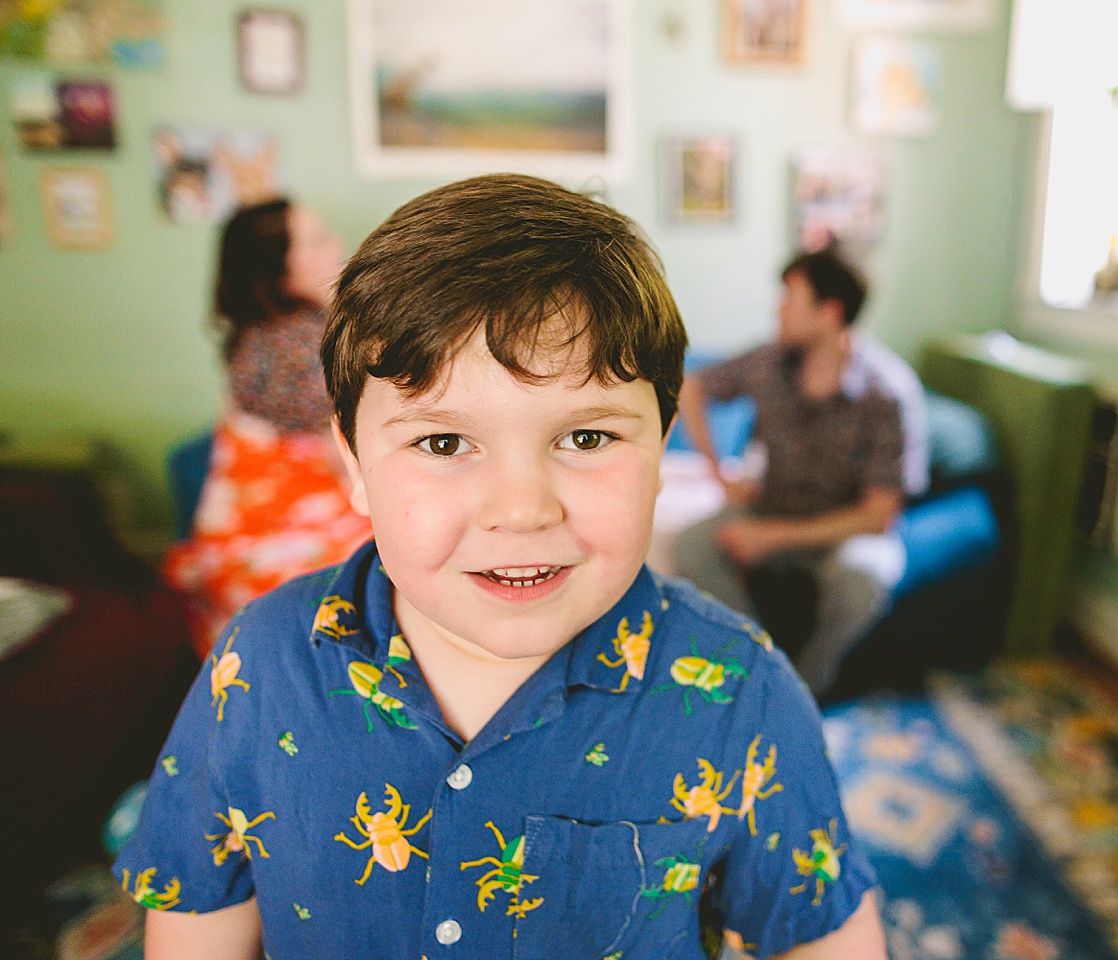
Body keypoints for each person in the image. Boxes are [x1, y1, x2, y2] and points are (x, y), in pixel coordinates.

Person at [116, 175, 886, 960]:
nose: (521, 510)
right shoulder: (258, 667)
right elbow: (195, 924)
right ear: (354, 465)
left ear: (660, 453)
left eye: (586, 438)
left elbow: (824, 936)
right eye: (444, 443)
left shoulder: (742, 694)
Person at [671, 249, 926, 698]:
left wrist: (772, 536)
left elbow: (878, 516)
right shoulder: (770, 361)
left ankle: (803, 690)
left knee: (862, 579)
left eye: (790, 298)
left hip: (843, 530)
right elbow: (692, 386)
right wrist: (718, 472)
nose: (778, 308)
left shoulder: (888, 392)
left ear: (829, 312)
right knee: (688, 547)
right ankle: (762, 669)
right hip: (769, 506)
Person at [162, 199, 372, 655]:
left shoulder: (269, 331)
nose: (340, 246)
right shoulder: (293, 347)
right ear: (280, 274)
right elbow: (347, 458)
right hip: (274, 523)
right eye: (318, 240)